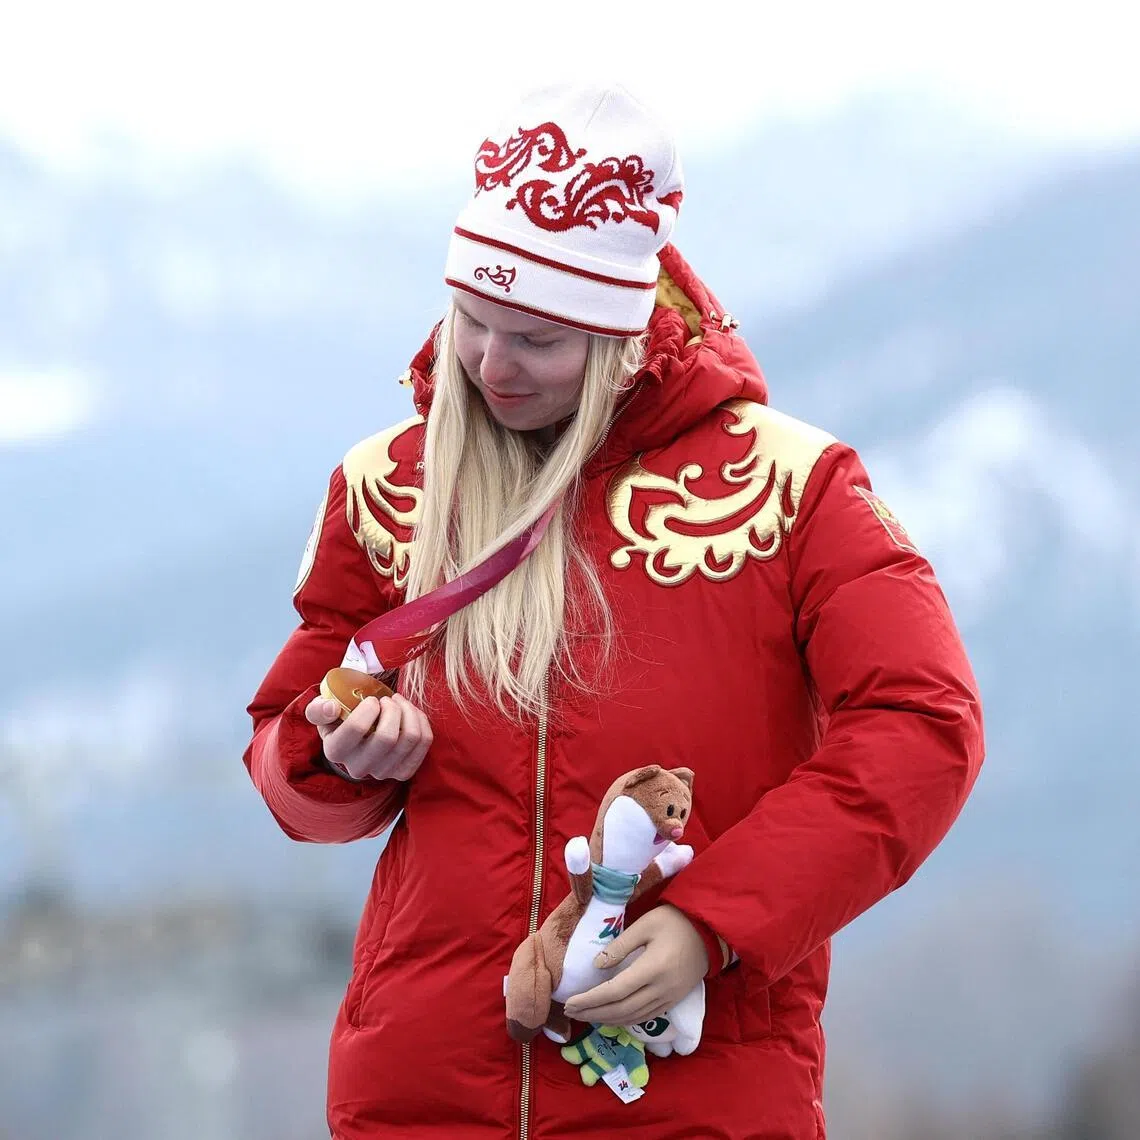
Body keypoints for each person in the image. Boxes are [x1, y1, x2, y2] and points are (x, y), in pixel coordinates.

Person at [243, 82, 984, 1140]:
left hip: (692, 1095)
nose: (491, 368)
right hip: (418, 1097)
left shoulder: (792, 488)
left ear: (622, 334)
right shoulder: (392, 487)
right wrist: (339, 755)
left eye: (538, 341)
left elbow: (924, 727)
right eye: (473, 324)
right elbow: (283, 754)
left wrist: (714, 922)